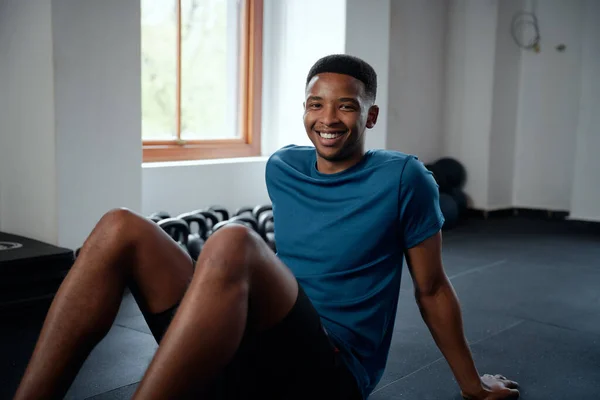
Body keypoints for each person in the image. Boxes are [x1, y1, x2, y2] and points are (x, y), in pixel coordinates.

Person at [13, 54, 519, 400]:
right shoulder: (283, 167)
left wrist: (471, 384)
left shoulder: (406, 178)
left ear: (371, 116)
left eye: (347, 105)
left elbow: (430, 289)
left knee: (233, 239)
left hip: (329, 370)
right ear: (304, 109)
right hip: (246, 346)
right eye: (316, 104)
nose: (329, 118)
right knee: (118, 226)